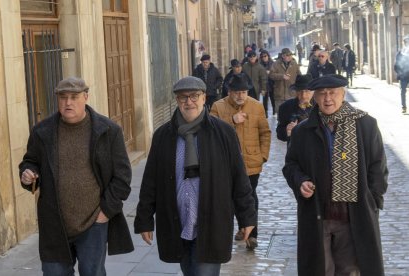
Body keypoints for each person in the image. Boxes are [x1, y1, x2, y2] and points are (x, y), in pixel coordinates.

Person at [134, 76, 256, 276]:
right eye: (183, 97)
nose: (188, 101)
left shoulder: (224, 133)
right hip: (178, 222)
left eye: (194, 96)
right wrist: (144, 220)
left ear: (203, 98)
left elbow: (239, 178)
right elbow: (150, 182)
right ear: (177, 100)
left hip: (212, 223)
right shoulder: (163, 136)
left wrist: (247, 216)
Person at [19, 77, 134, 275]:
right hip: (54, 223)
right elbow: (30, 161)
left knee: (92, 272)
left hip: (93, 222)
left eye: (74, 97)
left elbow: (122, 177)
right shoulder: (42, 132)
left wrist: (105, 211)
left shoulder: (108, 131)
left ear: (86, 97)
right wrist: (27, 173)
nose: (68, 102)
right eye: (63, 97)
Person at [283, 74, 388, 276]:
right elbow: (291, 165)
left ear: (343, 94)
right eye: (322, 94)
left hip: (353, 215)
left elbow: (378, 167)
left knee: (350, 270)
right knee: (320, 270)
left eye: (333, 93)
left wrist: (373, 202)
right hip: (317, 213)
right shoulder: (303, 130)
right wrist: (300, 181)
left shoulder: (365, 125)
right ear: (315, 97)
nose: (327, 98)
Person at [211, 73, 271, 250]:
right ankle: (239, 228)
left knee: (250, 197)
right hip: (226, 163)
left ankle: (252, 234)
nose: (240, 96)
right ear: (229, 92)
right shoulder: (218, 107)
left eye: (244, 92)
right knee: (230, 198)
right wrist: (231, 121)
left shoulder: (256, 106)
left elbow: (265, 133)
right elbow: (211, 131)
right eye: (236, 92)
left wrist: (263, 156)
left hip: (251, 163)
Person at [276, 74, 313, 144]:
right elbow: (279, 133)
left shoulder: (320, 106)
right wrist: (287, 131)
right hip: (294, 151)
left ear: (313, 91)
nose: (303, 95)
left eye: (307, 91)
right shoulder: (285, 107)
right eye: (300, 91)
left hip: (316, 152)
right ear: (296, 91)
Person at [269, 48, 301, 114]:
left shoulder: (294, 63)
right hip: (280, 95)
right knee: (280, 116)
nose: (290, 57)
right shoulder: (276, 64)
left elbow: (299, 76)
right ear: (283, 56)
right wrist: (282, 76)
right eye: (288, 55)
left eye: (291, 55)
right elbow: (271, 75)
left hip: (291, 94)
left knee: (292, 116)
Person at [394, 34, 409, 113]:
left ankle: (404, 107)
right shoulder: (400, 52)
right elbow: (396, 64)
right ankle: (404, 107)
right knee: (403, 91)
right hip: (403, 75)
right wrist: (399, 72)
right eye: (406, 42)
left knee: (403, 91)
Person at [259, 50, 276, 116]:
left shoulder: (273, 63)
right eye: (262, 56)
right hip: (264, 84)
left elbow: (275, 72)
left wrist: (270, 73)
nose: (264, 58)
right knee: (265, 99)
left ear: (268, 56)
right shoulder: (260, 64)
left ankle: (274, 110)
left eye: (265, 56)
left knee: (272, 97)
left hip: (272, 83)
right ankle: (265, 112)